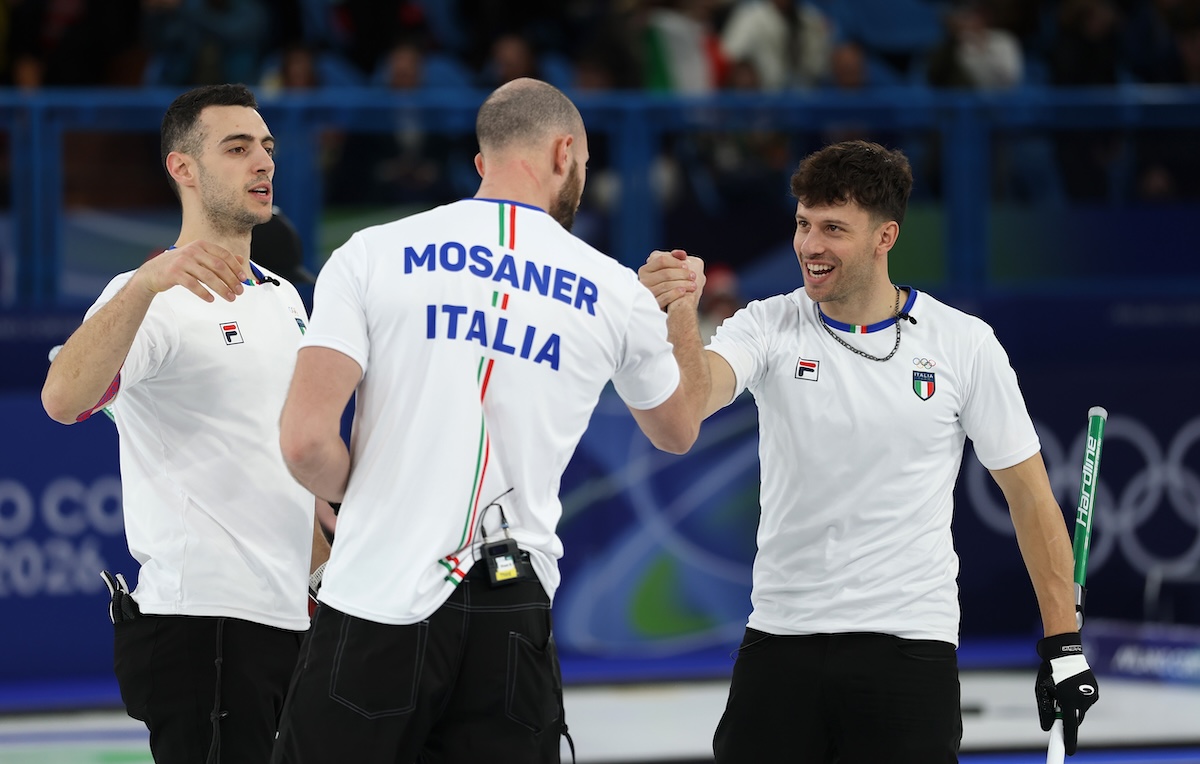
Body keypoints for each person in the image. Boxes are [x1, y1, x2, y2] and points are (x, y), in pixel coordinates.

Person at [268, 77, 709, 764]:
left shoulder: (371, 254)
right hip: (511, 606)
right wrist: (678, 304)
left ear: (483, 163)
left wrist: (370, 498)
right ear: (565, 152)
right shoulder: (613, 289)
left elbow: (303, 444)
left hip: (380, 591)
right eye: (586, 167)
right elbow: (678, 429)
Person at [637, 139, 1100, 762]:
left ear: (886, 237)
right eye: (803, 224)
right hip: (782, 638)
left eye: (833, 228)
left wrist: (1063, 644)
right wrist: (679, 317)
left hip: (909, 647)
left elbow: (1030, 497)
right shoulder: (767, 324)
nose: (810, 245)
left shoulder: (964, 344)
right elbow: (687, 412)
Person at [41, 83, 331, 764]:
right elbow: (63, 399)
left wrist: (326, 576)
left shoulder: (284, 295)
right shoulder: (151, 295)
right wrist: (146, 283)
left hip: (289, 619)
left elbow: (278, 458)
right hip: (206, 624)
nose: (263, 162)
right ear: (185, 170)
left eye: (266, 148)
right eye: (237, 148)